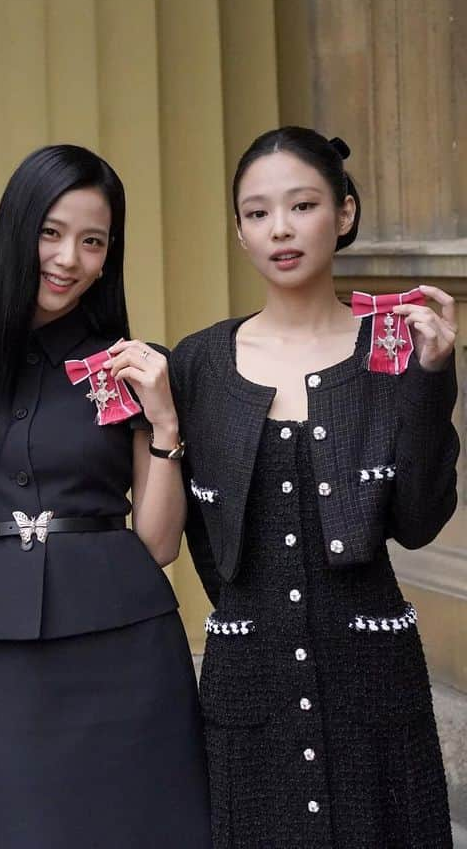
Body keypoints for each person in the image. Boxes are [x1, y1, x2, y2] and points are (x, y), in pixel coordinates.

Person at [171, 126, 457, 847]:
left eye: (301, 206)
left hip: (371, 674)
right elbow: (196, 534)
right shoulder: (201, 362)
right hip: (249, 677)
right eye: (258, 212)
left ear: (346, 213)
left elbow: (420, 520)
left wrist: (430, 380)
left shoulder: (389, 350)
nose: (280, 229)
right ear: (239, 231)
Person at [0, 144, 211, 847]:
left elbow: (161, 543)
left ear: (109, 257)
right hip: (6, 654)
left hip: (128, 645)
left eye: (92, 241)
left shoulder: (129, 368)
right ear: (17, 230)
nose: (68, 258)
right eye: (50, 233)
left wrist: (167, 422)